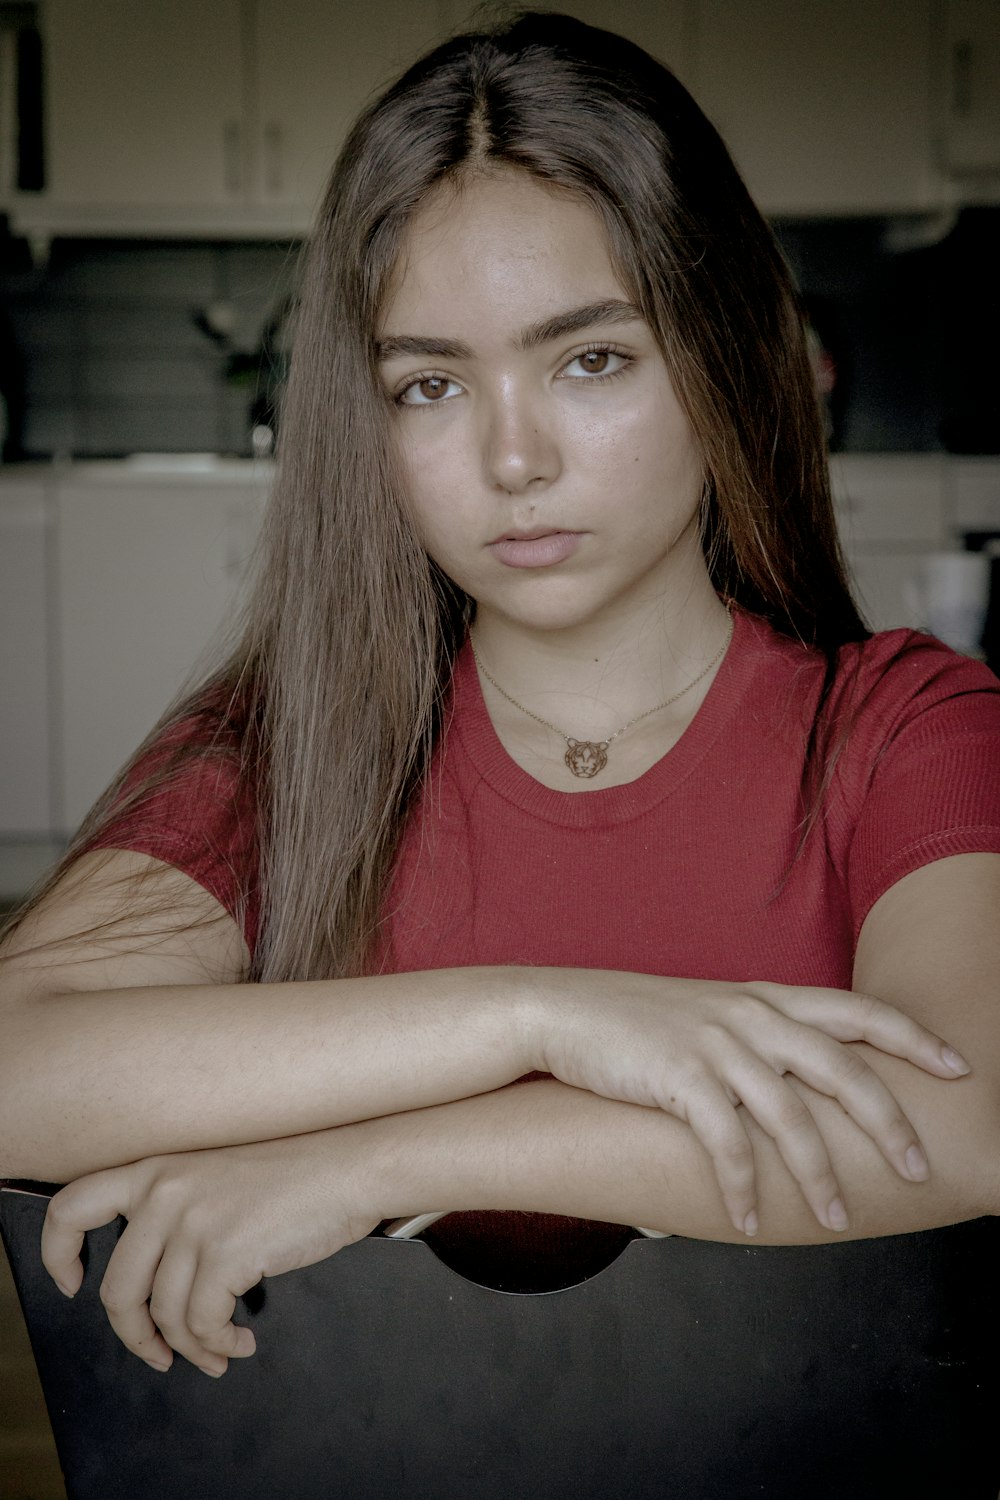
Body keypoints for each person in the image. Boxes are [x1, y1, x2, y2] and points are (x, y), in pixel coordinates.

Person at [1, 11, 998, 1389]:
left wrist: (381, 1160)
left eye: (590, 358)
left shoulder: (905, 726)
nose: (511, 455)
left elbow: (970, 1121)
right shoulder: (284, 747)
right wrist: (544, 1018)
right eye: (429, 385)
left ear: (719, 355)